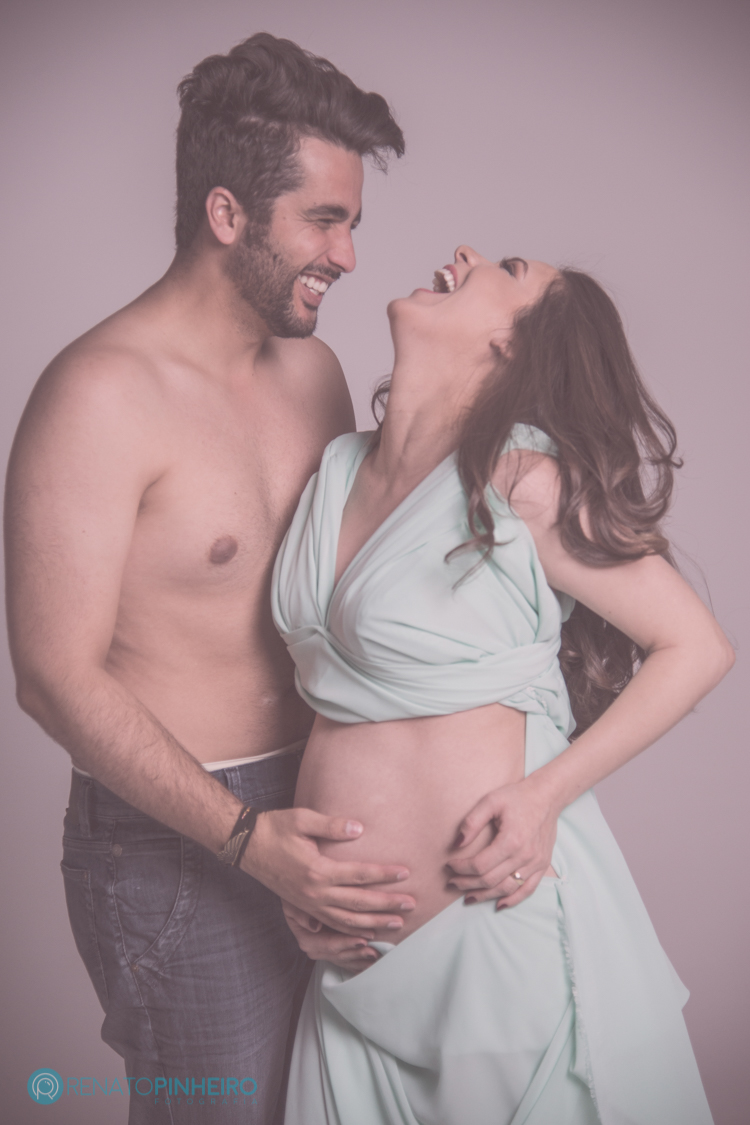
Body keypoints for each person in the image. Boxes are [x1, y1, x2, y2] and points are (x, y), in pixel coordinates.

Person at [4, 33, 412, 1125]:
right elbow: (52, 676)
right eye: (323, 220)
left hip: (325, 810)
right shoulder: (97, 396)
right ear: (227, 213)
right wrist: (244, 837)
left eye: (353, 223)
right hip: (180, 838)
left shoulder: (315, 373)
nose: (348, 255)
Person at [272, 246, 734, 1123]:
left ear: (511, 343)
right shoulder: (335, 467)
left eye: (508, 266)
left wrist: (543, 796)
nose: (465, 255)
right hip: (350, 969)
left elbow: (696, 646)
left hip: (495, 939)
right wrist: (297, 877)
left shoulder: (520, 479)